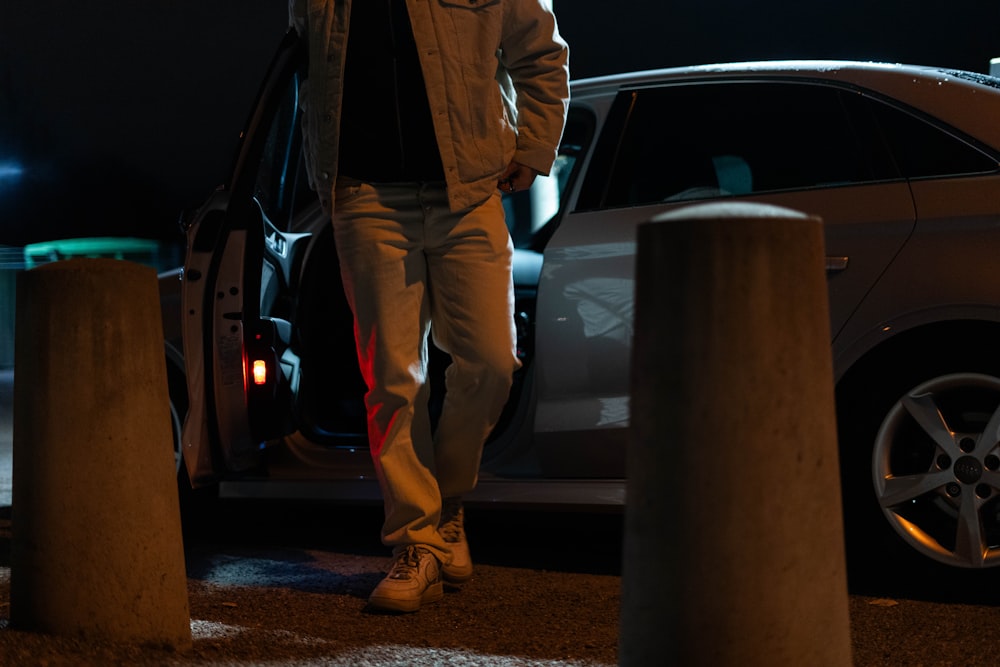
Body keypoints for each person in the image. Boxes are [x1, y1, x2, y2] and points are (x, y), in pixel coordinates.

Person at [288, 0, 570, 613]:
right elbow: (304, 64)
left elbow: (542, 53)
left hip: (468, 190)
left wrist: (534, 145)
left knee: (492, 362)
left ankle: (448, 504)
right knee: (393, 378)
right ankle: (416, 540)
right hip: (364, 196)